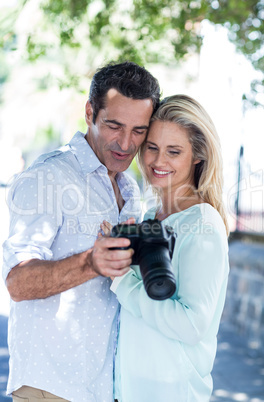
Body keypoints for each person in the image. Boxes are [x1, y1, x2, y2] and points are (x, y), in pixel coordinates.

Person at [2, 61, 160, 402]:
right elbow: (17, 282)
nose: (125, 143)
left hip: (104, 388)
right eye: (114, 126)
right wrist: (91, 262)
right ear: (90, 112)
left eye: (138, 130)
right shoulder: (47, 177)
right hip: (51, 387)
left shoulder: (131, 191)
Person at [108, 94, 230, 401]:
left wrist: (121, 280)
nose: (158, 161)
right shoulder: (151, 216)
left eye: (173, 151)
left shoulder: (202, 223)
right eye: (152, 147)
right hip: (134, 390)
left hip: (171, 393)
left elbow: (191, 324)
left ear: (197, 156)